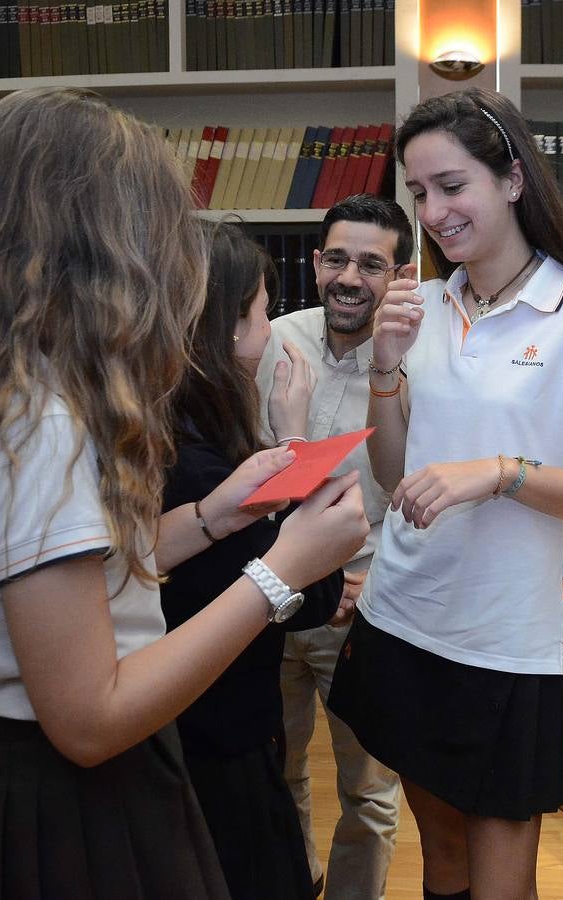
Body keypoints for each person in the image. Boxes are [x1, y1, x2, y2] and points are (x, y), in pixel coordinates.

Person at [0, 87, 369, 899]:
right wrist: (283, 571)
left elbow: (54, 592)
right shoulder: (39, 423)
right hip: (60, 808)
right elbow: (90, 717)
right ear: (101, 248)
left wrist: (214, 517)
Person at [328, 87, 563, 900]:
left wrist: (499, 473)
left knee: (504, 880)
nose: (433, 212)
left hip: (507, 639)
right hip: (405, 615)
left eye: (452, 185)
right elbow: (398, 476)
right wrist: (383, 365)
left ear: (512, 179)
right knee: (442, 863)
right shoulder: (427, 305)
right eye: (419, 193)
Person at [162, 220, 343, 900]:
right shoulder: (199, 458)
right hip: (216, 738)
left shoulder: (164, 426)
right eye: (263, 312)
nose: (269, 331)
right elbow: (309, 592)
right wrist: (295, 438)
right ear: (227, 326)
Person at [254, 193, 413, 900]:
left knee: (370, 791)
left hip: (364, 607)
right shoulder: (270, 343)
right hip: (268, 601)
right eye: (339, 259)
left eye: (372, 264)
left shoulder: (420, 363)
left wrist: (364, 580)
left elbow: (414, 490)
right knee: (276, 771)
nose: (351, 277)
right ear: (316, 264)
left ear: (398, 275)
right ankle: (294, 883)